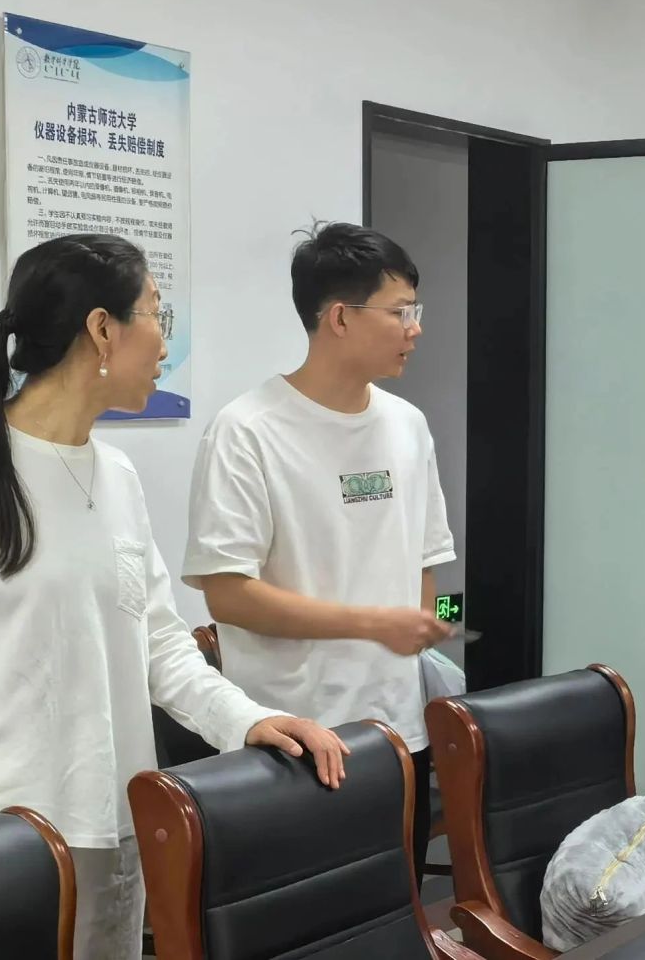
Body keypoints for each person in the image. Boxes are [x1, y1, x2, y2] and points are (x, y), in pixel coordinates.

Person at [0, 235, 348, 960]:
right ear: (101, 329)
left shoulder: (116, 475)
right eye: (156, 314)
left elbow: (160, 646)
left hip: (113, 829)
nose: (165, 343)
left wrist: (251, 720)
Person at [183, 222, 454, 870]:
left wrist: (429, 622)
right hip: (291, 740)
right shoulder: (247, 431)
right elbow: (228, 594)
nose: (416, 329)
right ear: (339, 317)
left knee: (398, 906)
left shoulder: (408, 424)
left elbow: (426, 559)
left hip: (398, 733)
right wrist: (373, 623)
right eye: (401, 312)